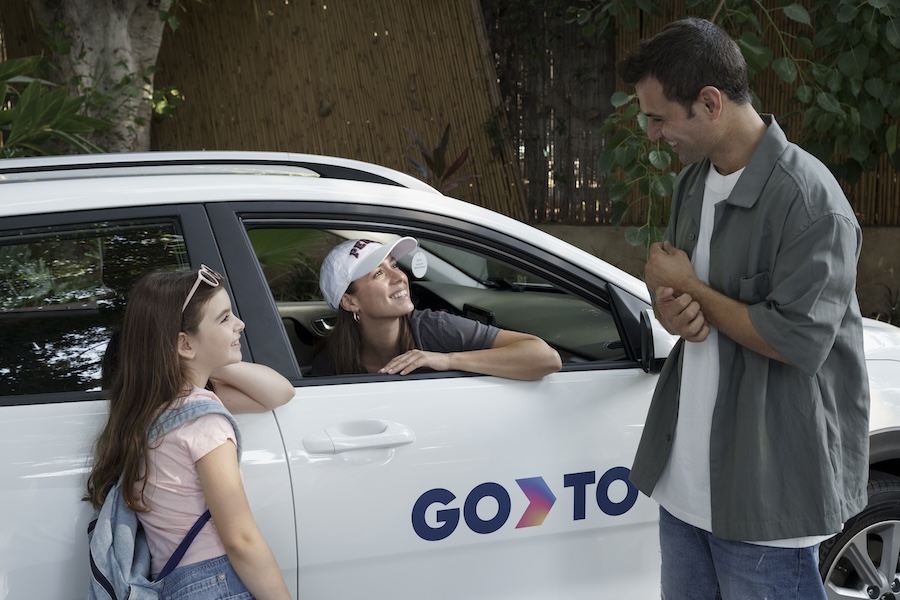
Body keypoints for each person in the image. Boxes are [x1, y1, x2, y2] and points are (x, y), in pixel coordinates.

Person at [620, 17, 870, 600]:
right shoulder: (692, 182)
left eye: (658, 117)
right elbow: (681, 300)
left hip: (765, 495)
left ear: (709, 103)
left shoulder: (811, 203)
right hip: (684, 488)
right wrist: (670, 309)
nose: (652, 135)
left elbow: (796, 342)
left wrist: (696, 291)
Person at [86, 264, 294, 599]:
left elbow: (279, 392)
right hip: (217, 582)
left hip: (175, 583)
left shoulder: (152, 409)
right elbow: (241, 540)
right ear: (184, 343)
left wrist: (208, 357)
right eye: (224, 318)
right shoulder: (202, 421)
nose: (239, 324)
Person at [310, 237, 562, 379]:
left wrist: (446, 360)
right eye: (378, 274)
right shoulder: (331, 364)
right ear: (350, 302)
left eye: (395, 266)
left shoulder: (433, 328)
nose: (399, 277)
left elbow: (545, 357)